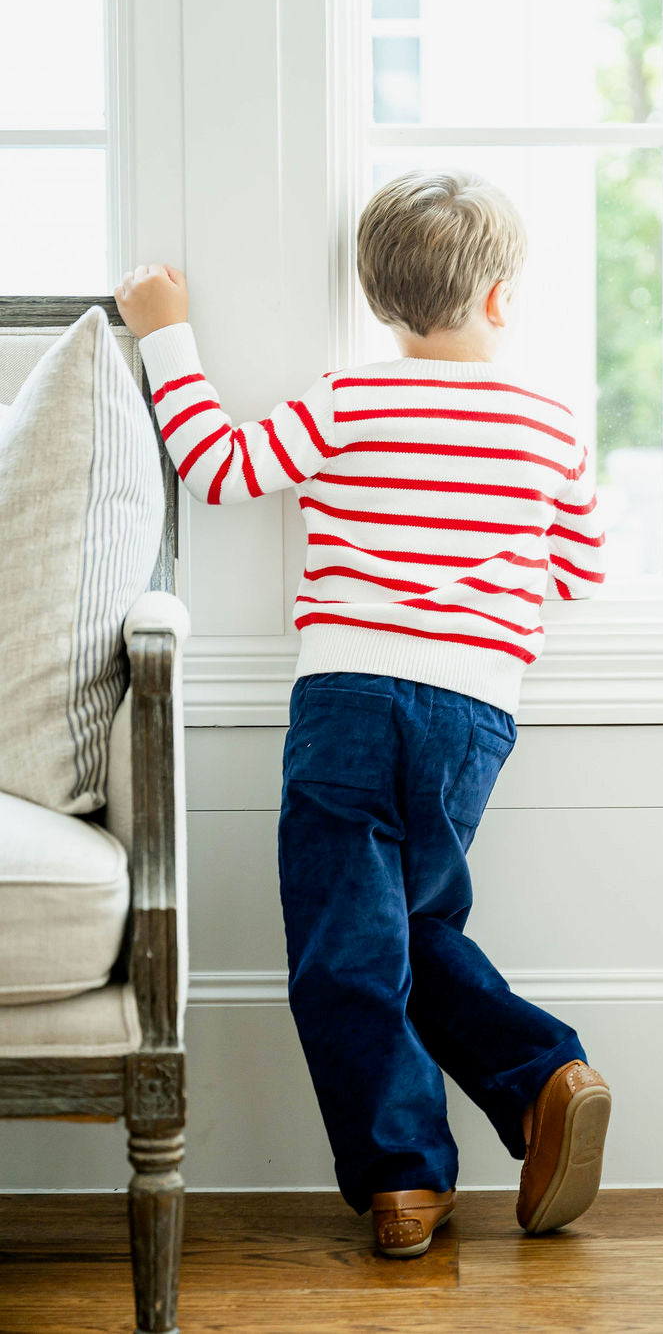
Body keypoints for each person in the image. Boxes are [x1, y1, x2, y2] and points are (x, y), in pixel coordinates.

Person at [114, 168, 611, 1258]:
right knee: (415, 924)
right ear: (501, 298)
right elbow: (577, 571)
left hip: (346, 696)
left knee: (347, 946)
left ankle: (405, 1179)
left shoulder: (351, 399)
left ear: (380, 300)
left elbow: (217, 465)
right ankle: (541, 1082)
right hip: (471, 712)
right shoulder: (549, 424)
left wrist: (167, 335)